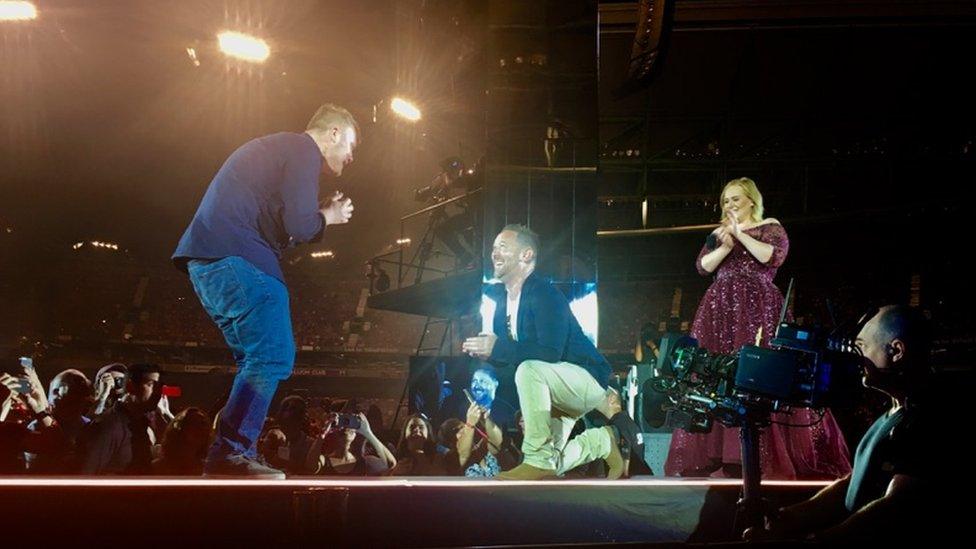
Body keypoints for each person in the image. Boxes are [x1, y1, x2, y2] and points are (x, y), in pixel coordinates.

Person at [172, 103, 358, 478]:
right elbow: (300, 226)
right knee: (273, 354)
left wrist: (315, 214)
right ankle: (230, 452)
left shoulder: (278, 152)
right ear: (333, 133)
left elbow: (280, 231)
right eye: (351, 145)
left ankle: (232, 453)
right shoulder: (303, 148)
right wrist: (328, 217)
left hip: (209, 263)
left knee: (257, 359)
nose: (351, 156)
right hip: (235, 258)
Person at [664, 177, 851, 480]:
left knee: (760, 375)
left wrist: (740, 234)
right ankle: (723, 455)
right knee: (717, 375)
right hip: (720, 308)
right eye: (725, 201)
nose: (729, 205)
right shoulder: (718, 234)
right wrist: (725, 244)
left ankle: (762, 455)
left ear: (751, 200)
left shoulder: (770, 226)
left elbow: (772, 256)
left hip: (757, 306)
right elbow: (704, 267)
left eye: (735, 199)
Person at [747, 305, 951, 542]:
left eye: (861, 346)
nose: (855, 357)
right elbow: (854, 483)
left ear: (896, 351)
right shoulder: (895, 411)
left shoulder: (930, 418)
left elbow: (897, 505)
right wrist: (791, 517)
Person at [462, 224, 623, 480]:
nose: (494, 253)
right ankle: (601, 442)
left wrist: (498, 348)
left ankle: (536, 458)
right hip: (555, 388)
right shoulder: (502, 303)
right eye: (493, 248)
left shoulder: (545, 293)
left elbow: (549, 353)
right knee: (552, 464)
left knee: (530, 371)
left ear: (526, 255)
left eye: (503, 247)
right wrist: (488, 353)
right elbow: (512, 360)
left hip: (587, 378)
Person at [75, 363, 162, 475]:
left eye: (159, 386)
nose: (157, 392)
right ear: (130, 386)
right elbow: (85, 474)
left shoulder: (140, 426)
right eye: (150, 385)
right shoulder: (109, 426)